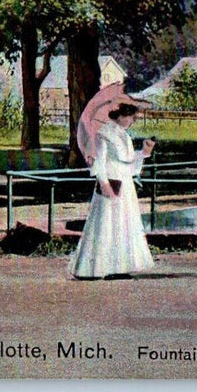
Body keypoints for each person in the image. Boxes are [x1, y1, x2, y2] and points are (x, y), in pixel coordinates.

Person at [69, 103, 157, 280]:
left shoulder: (125, 136)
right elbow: (98, 162)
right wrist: (103, 183)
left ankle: (119, 267)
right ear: (121, 115)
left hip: (125, 186)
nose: (132, 121)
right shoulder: (104, 135)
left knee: (123, 225)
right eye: (131, 117)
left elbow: (129, 165)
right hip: (111, 182)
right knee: (105, 224)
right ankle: (92, 269)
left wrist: (144, 154)